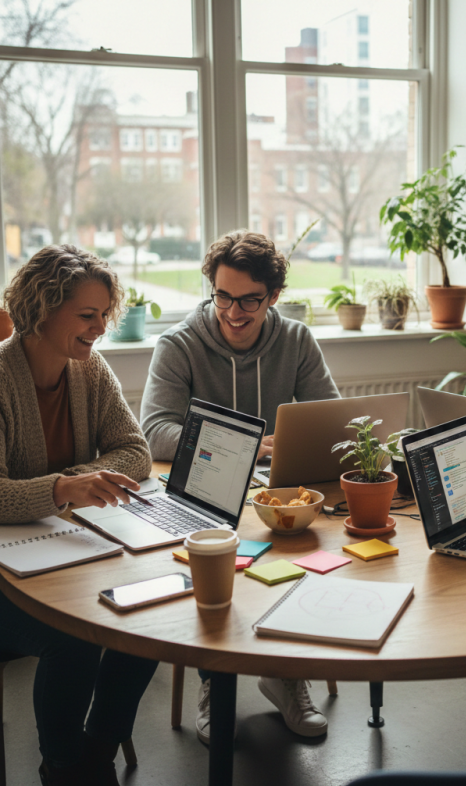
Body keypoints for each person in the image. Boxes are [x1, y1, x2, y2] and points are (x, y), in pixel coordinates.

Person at [140, 230, 340, 745]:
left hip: (276, 496)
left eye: (249, 300)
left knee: (316, 549)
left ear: (273, 297)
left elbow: (329, 419)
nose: (233, 311)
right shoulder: (179, 345)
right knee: (216, 560)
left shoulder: (295, 340)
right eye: (223, 296)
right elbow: (154, 432)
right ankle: (216, 682)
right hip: (206, 496)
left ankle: (286, 676)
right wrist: (245, 446)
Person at [0, 244, 158, 786]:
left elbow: (134, 452)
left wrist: (72, 485)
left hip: (65, 551)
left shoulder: (89, 370)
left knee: (147, 618)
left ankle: (96, 754)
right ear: (43, 310)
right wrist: (66, 489)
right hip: (5, 575)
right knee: (74, 640)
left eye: (104, 315)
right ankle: (64, 769)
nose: (100, 329)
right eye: (87, 316)